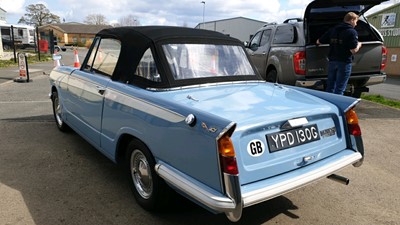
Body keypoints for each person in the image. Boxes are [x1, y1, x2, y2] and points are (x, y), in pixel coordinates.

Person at [316, 12, 362, 95]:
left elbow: (318, 41)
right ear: (351, 20)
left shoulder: (333, 29)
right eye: (356, 21)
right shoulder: (352, 32)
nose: (356, 24)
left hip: (332, 62)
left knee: (330, 87)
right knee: (340, 89)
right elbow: (353, 50)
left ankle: (329, 105)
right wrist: (359, 45)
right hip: (344, 63)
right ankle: (338, 106)